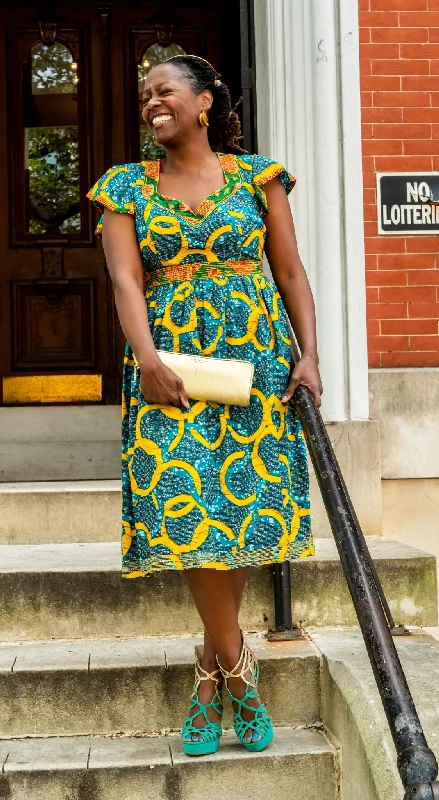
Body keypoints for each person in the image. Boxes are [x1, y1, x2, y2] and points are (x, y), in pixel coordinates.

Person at [87, 54, 322, 757]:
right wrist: (148, 361)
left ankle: (211, 668)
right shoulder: (125, 187)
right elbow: (127, 282)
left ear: (205, 102)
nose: (151, 103)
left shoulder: (259, 178)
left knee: (239, 505)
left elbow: (289, 269)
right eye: (144, 96)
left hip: (257, 368)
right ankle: (239, 672)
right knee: (188, 510)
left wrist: (310, 356)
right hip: (171, 373)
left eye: (165, 91)